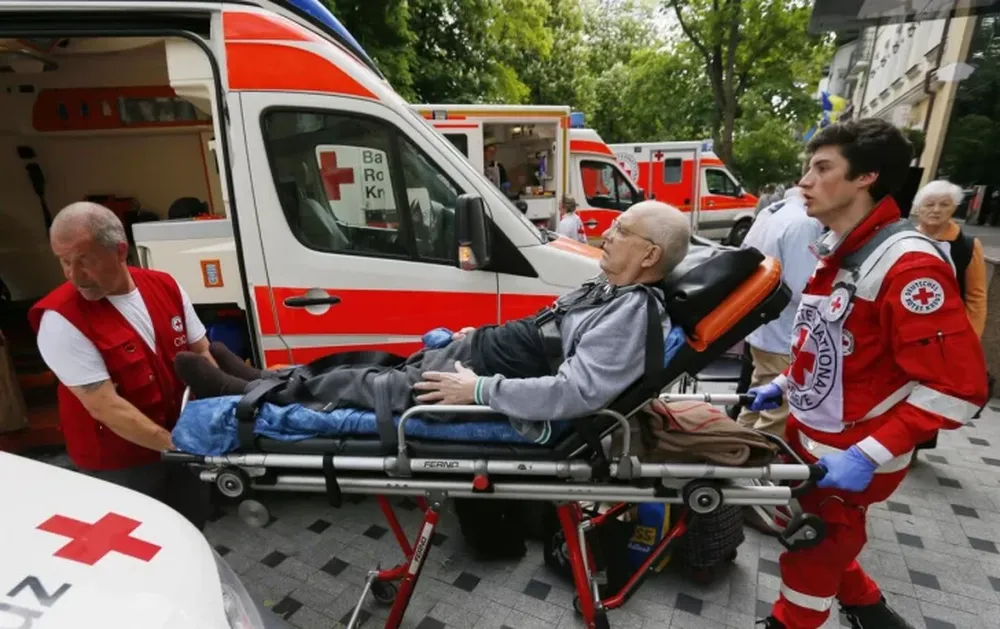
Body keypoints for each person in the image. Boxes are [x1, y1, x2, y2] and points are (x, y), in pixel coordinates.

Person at [175, 202, 692, 442]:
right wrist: (476, 340)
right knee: (367, 369)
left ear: (648, 255)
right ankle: (258, 379)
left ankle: (242, 390)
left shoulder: (632, 312)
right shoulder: (609, 289)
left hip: (478, 380)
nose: (606, 235)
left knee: (364, 387)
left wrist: (481, 391)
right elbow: (547, 329)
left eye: (620, 230)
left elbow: (575, 394)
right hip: (477, 357)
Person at [748, 119, 989, 629]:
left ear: (867, 177)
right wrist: (785, 385)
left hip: (856, 449)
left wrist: (868, 454)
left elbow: (959, 388)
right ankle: (868, 611)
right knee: (826, 533)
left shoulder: (907, 266)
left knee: (815, 547)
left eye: (822, 168)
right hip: (819, 436)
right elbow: (834, 347)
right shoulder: (841, 249)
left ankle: (790, 622)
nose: (803, 182)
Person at [28, 201, 216, 529]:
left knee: (191, 529)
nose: (75, 277)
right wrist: (181, 445)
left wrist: (218, 413)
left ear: (119, 250)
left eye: (85, 261)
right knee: (136, 550)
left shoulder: (165, 285)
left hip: (181, 447)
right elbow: (105, 406)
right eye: (64, 262)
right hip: (120, 465)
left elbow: (202, 354)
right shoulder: (60, 319)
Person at [737, 181, 823, 438]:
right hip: (785, 333)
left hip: (763, 326)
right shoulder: (804, 222)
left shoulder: (771, 211)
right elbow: (802, 286)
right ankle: (753, 463)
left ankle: (733, 450)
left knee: (754, 403)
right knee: (775, 414)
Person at [912, 179, 988, 337]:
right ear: (918, 208)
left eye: (945, 204)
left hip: (947, 331)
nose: (936, 210)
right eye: (929, 204)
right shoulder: (903, 239)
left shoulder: (967, 245)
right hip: (908, 326)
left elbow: (976, 297)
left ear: (954, 207)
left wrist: (971, 338)